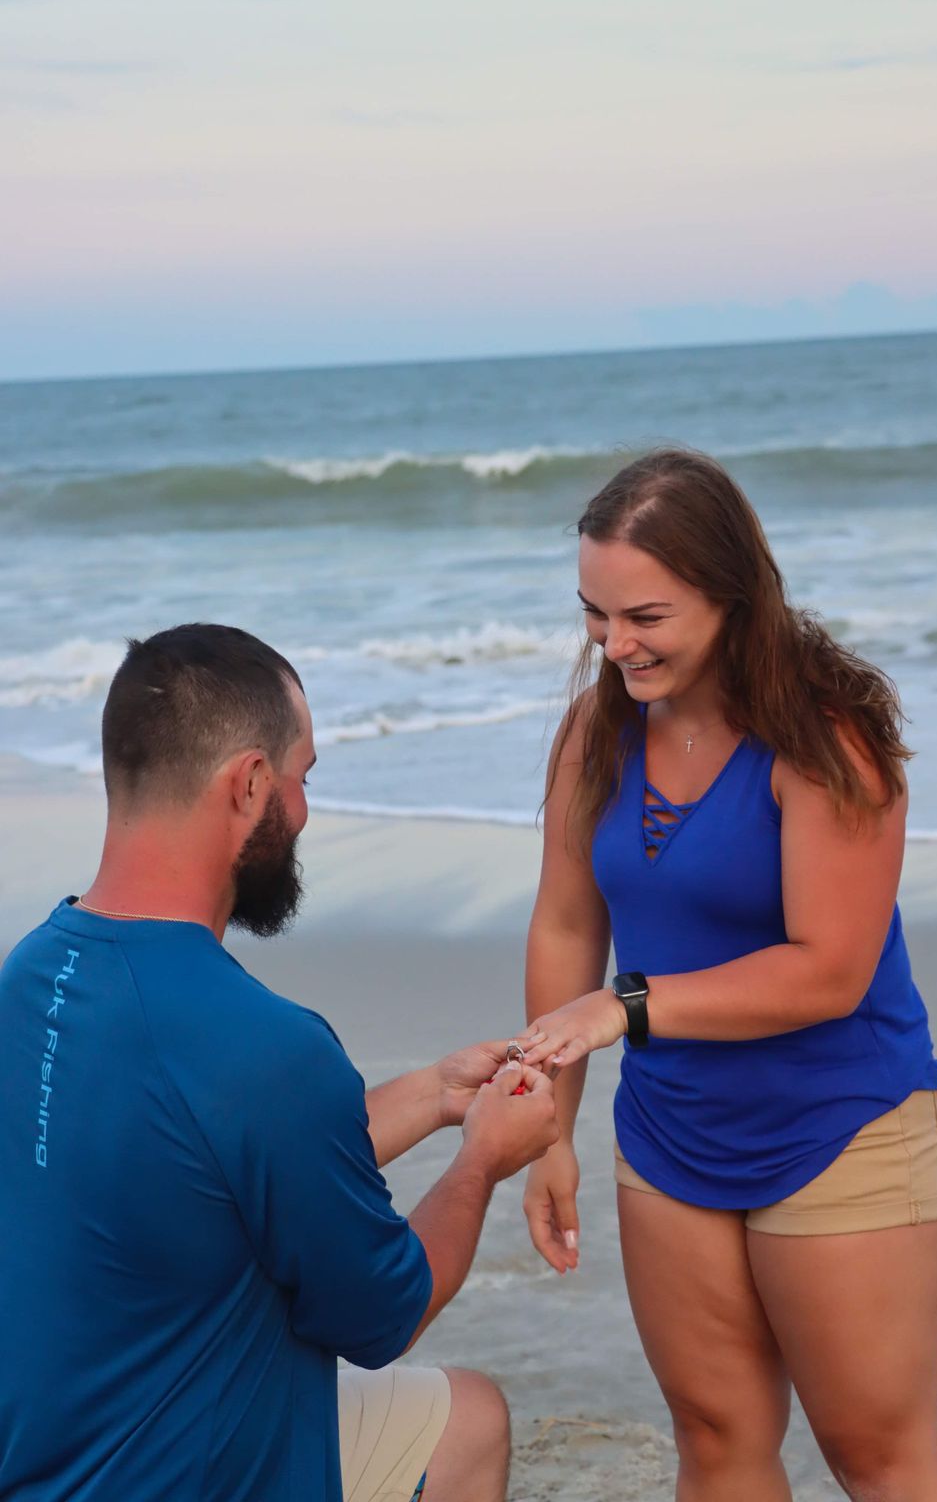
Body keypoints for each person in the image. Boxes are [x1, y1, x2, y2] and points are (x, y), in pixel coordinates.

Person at [0, 623, 558, 1502]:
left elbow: (216, 1165)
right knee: (472, 1418)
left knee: (463, 1415)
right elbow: (387, 1316)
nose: (302, 812)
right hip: (196, 1477)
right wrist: (483, 1159)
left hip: (51, 1463)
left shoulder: (32, 972)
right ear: (250, 783)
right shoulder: (266, 1047)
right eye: (302, 780)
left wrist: (438, 1094)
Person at [518, 450, 937, 1502]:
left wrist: (626, 1009)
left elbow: (829, 972)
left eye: (645, 617)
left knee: (878, 1457)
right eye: (594, 613)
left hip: (837, 1128)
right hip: (670, 1136)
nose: (614, 645)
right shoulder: (594, 729)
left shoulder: (827, 733)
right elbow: (567, 918)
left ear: (730, 594)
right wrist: (550, 1124)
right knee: (716, 1442)